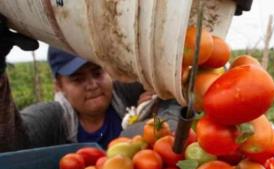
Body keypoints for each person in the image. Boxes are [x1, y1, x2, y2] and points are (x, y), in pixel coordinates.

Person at [0, 17, 180, 152]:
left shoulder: (124, 91)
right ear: (59, 86)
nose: (92, 84)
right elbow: (12, 144)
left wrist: (157, 120)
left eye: (97, 72)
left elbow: (174, 92)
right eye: (78, 79)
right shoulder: (55, 118)